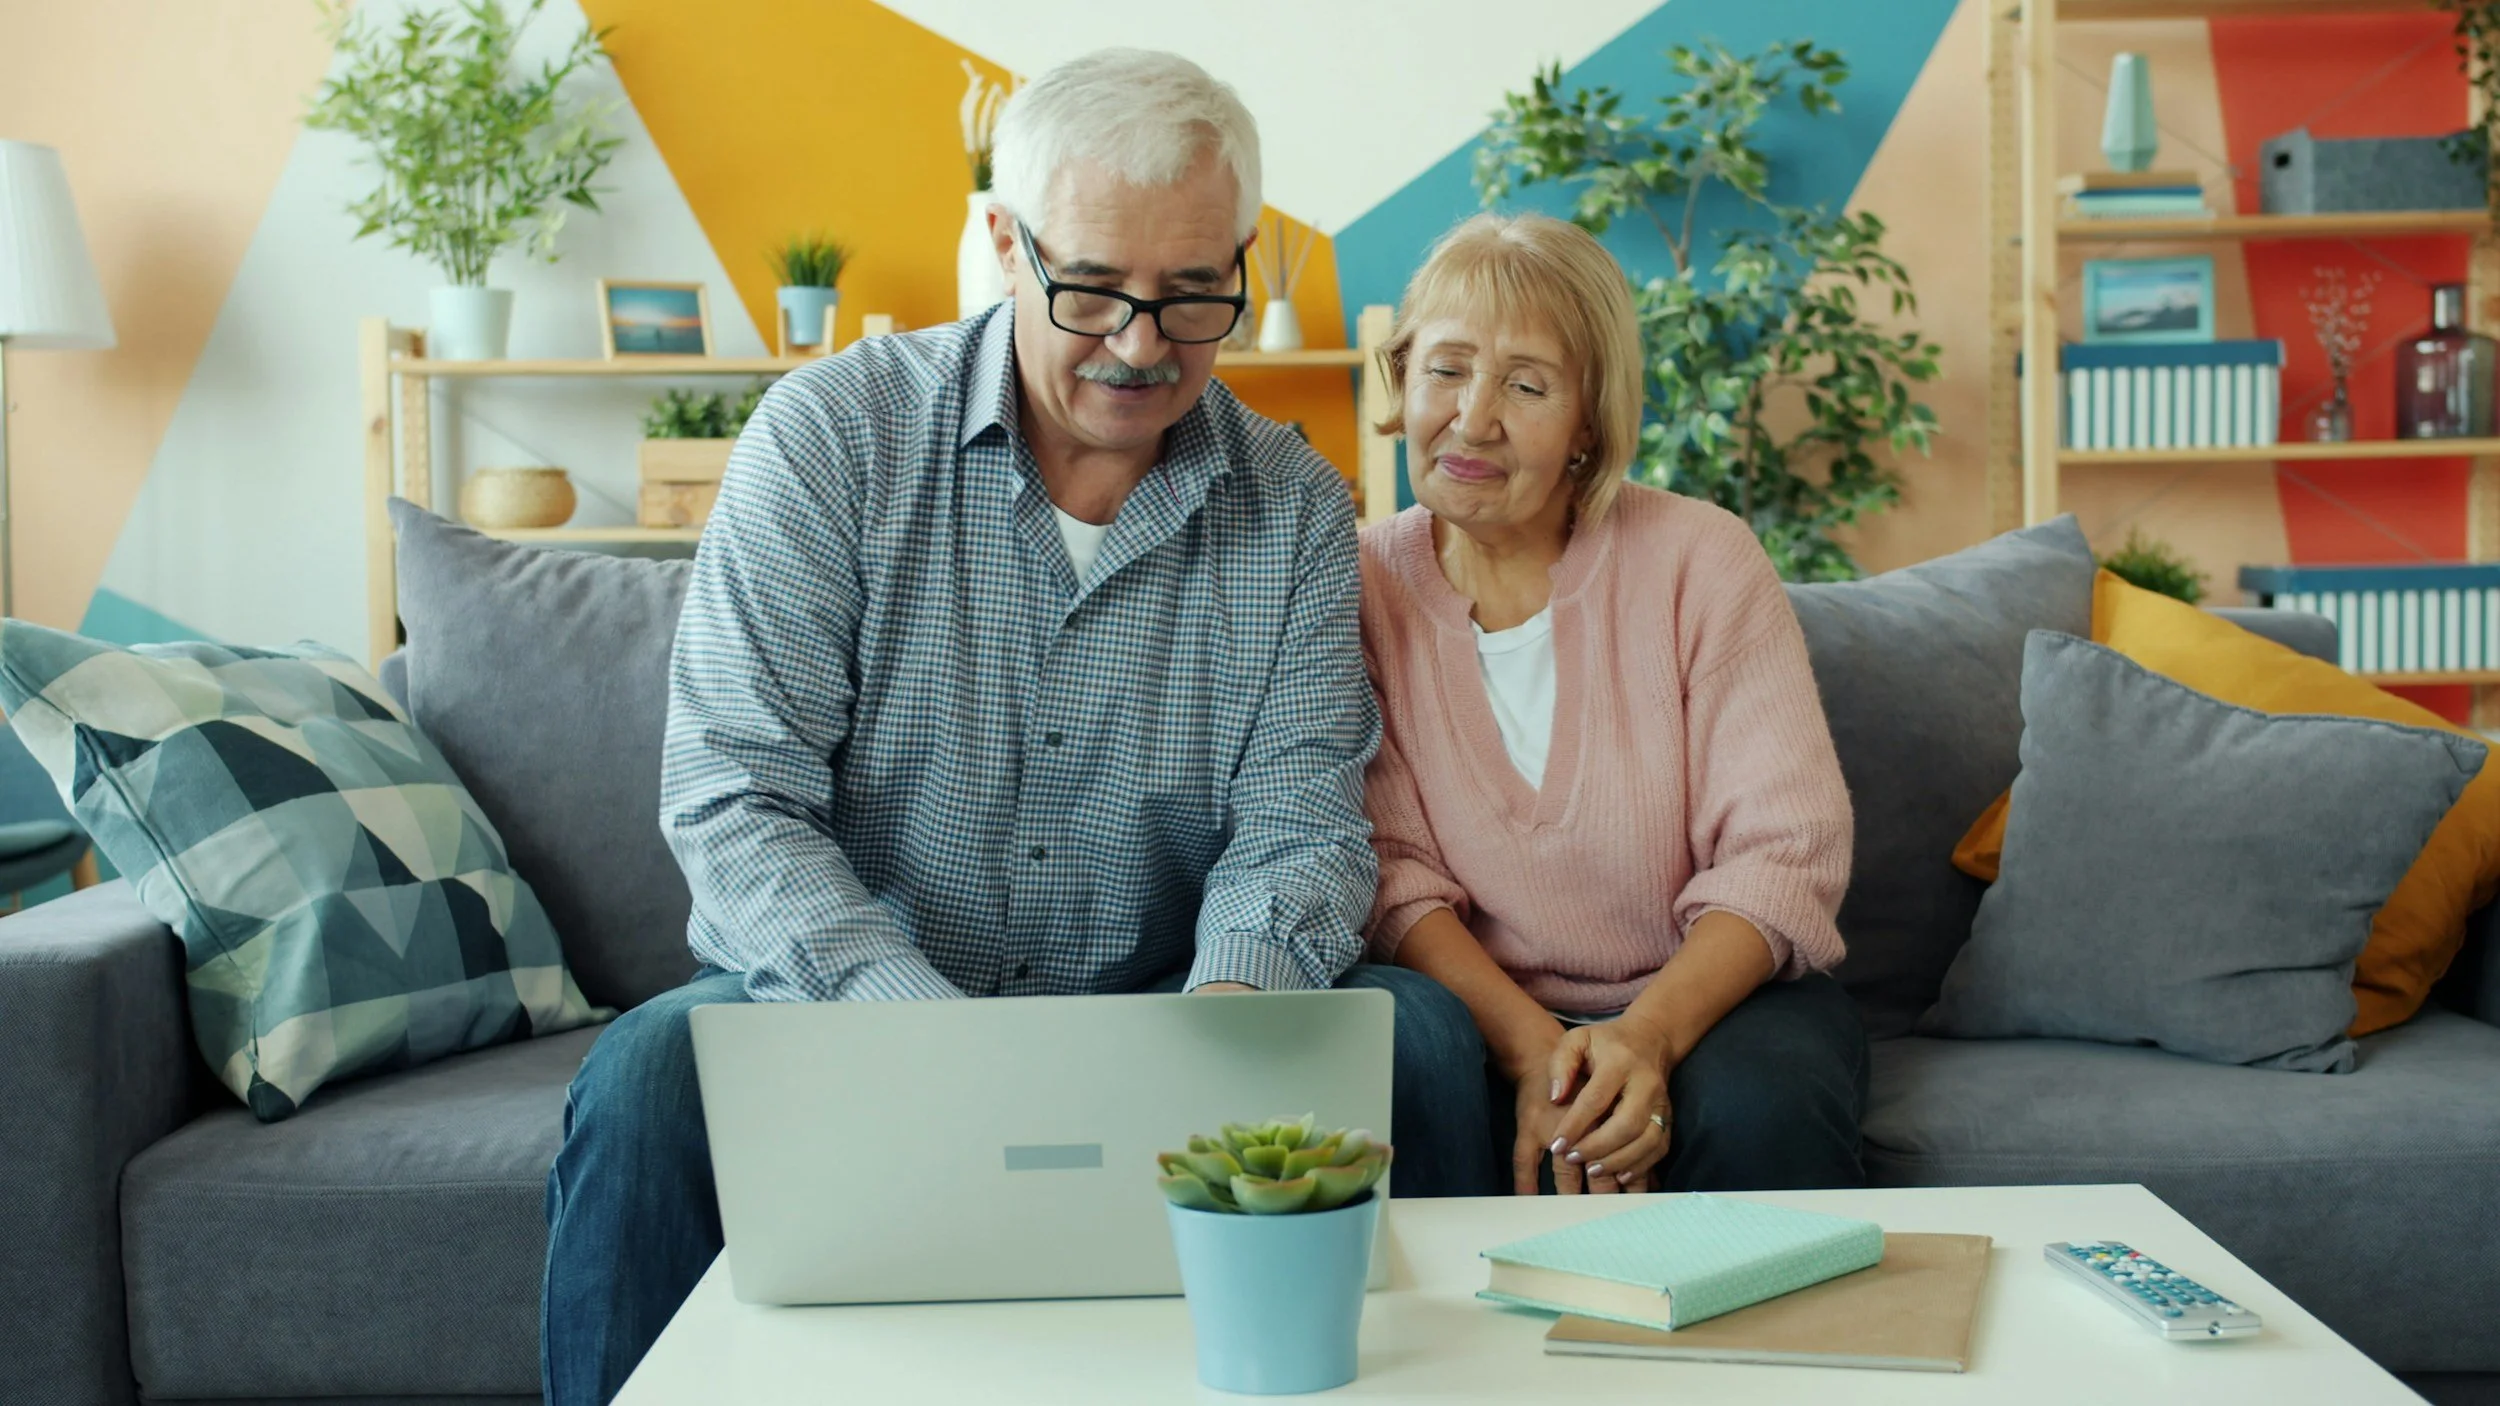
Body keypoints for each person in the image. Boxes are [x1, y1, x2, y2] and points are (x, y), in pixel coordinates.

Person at [538, 49, 1485, 1405]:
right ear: (1002, 240)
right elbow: (734, 798)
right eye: (1093, 288)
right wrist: (924, 1032)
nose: (1143, 345)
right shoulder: (830, 439)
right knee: (641, 1081)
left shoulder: (1292, 504)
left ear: (1247, 258)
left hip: (1173, 1012)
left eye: (1194, 293)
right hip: (850, 1010)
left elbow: (1301, 822)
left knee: (1423, 1039)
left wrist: (1216, 1030)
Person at [1358, 212, 1867, 1200]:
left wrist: (1643, 1041)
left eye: (1527, 384)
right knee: (1407, 1065)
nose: (1472, 418)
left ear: (1590, 417)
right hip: (1476, 1007)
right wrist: (1537, 1056)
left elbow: (1783, 851)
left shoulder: (1699, 557)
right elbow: (1388, 875)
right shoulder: (1354, 587)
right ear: (1401, 377)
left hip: (1713, 999)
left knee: (1761, 1105)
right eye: (1447, 368)